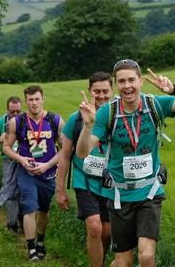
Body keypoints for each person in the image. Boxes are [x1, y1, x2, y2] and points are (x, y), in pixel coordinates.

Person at [77, 59, 175, 267]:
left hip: (149, 193)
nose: (127, 86)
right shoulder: (107, 113)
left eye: (131, 80)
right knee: (123, 261)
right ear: (117, 85)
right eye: (122, 81)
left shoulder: (154, 105)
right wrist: (88, 126)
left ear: (140, 81)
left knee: (146, 256)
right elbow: (83, 152)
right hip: (120, 196)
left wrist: (174, 90)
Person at [56, 72, 113, 267]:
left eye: (105, 91)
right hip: (84, 180)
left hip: (111, 182)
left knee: (107, 231)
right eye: (97, 91)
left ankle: (100, 259)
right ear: (89, 91)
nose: (102, 95)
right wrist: (61, 190)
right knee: (94, 227)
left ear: (112, 91)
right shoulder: (76, 119)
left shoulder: (118, 116)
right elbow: (64, 156)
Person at [3, 85, 64, 262]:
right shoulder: (17, 122)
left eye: (37, 99)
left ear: (42, 99)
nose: (34, 103)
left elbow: (65, 149)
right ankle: (31, 249)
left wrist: (47, 165)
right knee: (30, 208)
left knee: (43, 210)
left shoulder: (55, 120)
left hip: (48, 173)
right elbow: (6, 147)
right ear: (25, 101)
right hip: (26, 172)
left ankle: (40, 242)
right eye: (30, 100)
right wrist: (21, 159)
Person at [0, 96, 23, 233]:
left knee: (22, 189)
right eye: (12, 112)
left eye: (18, 112)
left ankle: (22, 219)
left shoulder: (27, 120)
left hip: (23, 159)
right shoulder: (0, 121)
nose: (15, 114)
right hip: (7, 159)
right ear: (7, 109)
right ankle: (12, 223)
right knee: (10, 188)